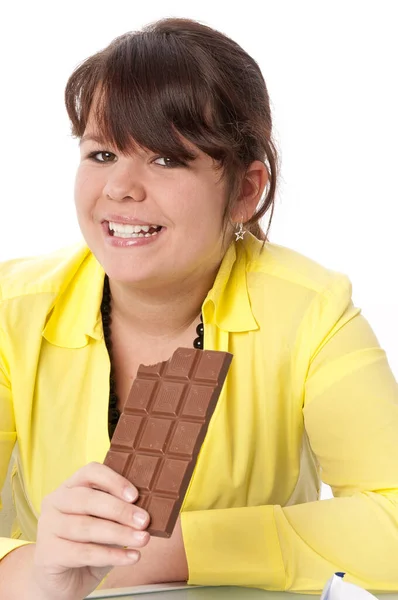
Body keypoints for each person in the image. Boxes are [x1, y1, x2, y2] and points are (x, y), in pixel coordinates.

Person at [0, 15, 398, 600]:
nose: (120, 189)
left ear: (244, 190)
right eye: (103, 154)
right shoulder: (14, 309)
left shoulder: (311, 310)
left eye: (167, 159)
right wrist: (40, 571)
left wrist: (174, 551)